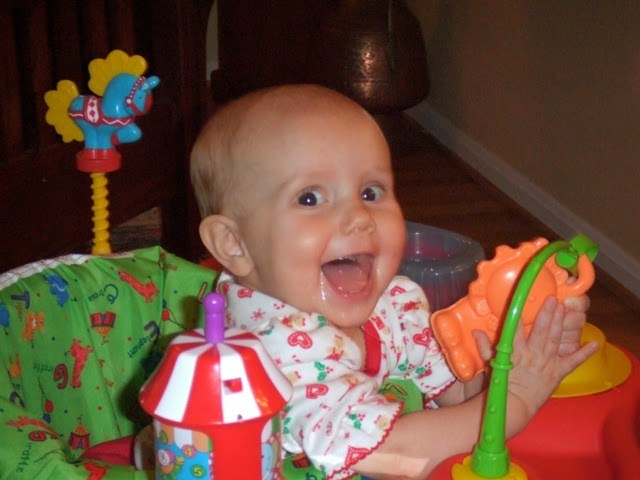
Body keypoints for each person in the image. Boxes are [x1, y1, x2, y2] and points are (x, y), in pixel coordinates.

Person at [185, 84, 598, 480]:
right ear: (234, 243)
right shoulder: (265, 352)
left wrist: (519, 355)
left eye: (371, 192)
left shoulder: (393, 307)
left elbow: (456, 394)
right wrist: (516, 403)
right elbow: (393, 456)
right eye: (310, 198)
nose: (359, 217)